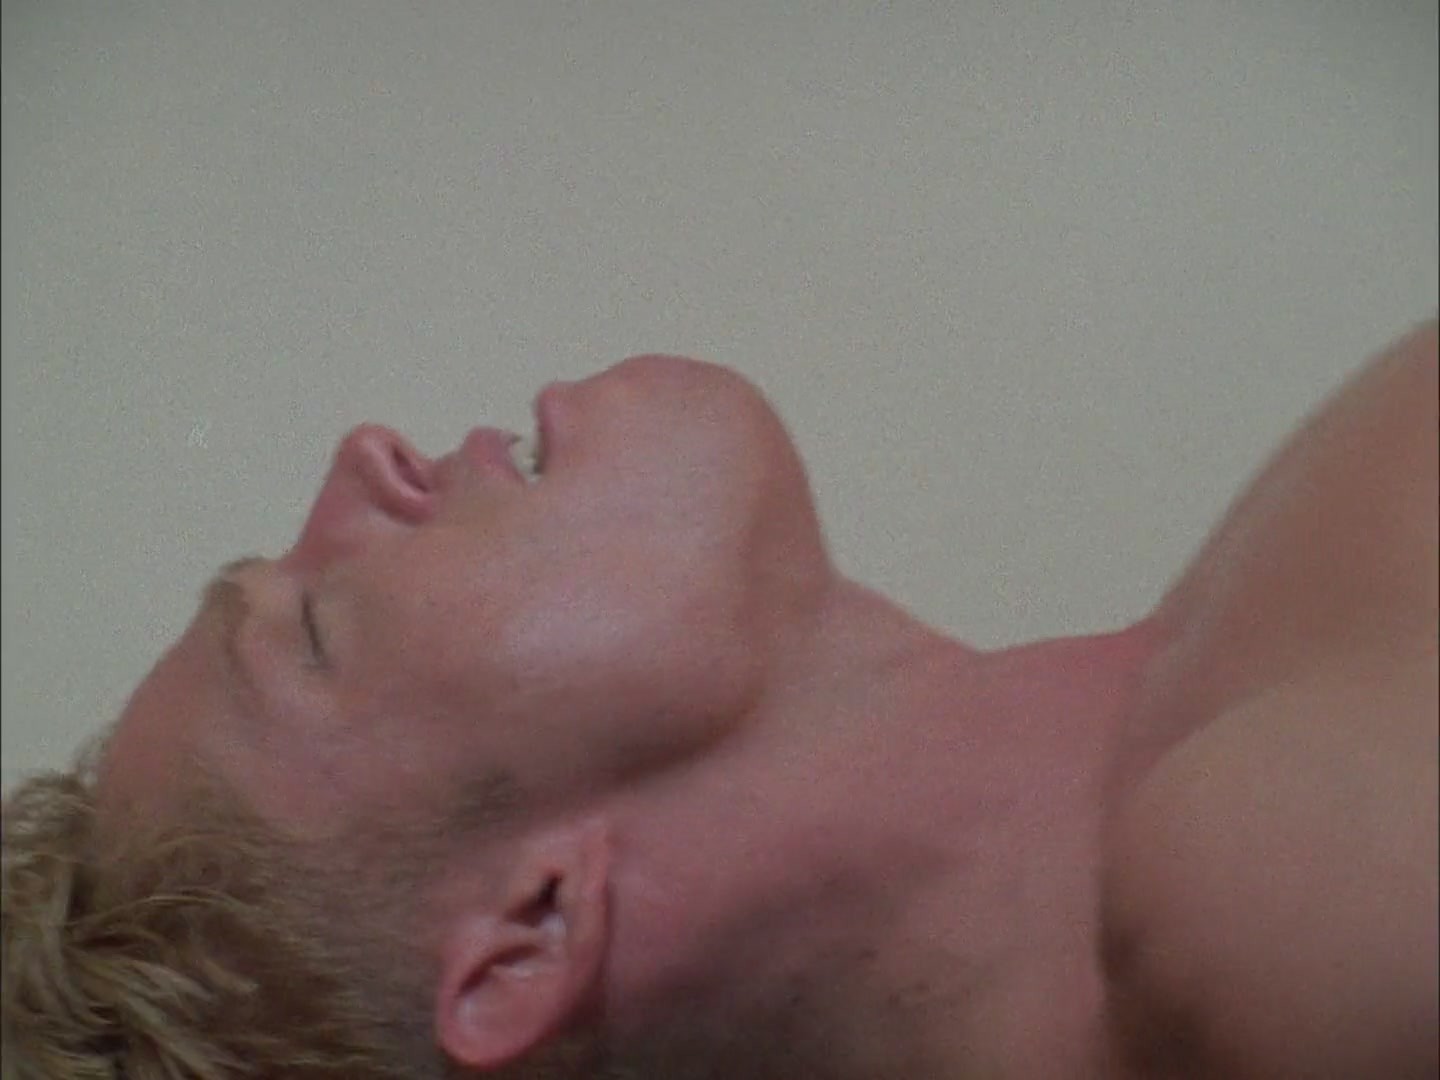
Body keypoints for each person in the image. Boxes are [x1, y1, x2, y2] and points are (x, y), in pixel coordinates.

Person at [3, 322, 1435, 1080]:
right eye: (316, 630)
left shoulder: (1219, 721)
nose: (361, 457)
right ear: (530, 933)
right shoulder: (1279, 919)